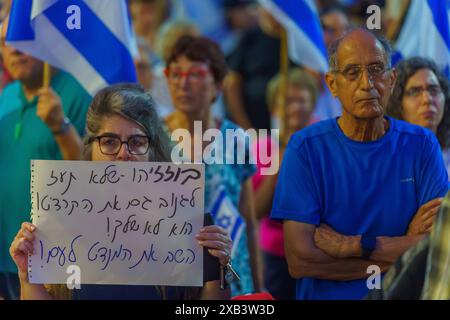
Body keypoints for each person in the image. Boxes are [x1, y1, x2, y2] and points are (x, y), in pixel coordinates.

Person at [270, 28, 449, 300]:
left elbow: (436, 246)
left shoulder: (422, 144)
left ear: (391, 79)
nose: (367, 83)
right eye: (352, 72)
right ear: (332, 85)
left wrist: (354, 245)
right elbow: (300, 261)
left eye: (376, 69)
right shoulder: (305, 148)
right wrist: (400, 249)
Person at [9, 83, 233, 300]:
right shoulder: (58, 221)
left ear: (152, 150)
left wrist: (219, 268)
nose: (123, 154)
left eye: (136, 142)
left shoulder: (188, 222)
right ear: (91, 150)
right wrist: (27, 276)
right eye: (109, 142)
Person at [0, 16, 91, 300]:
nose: (14, 49)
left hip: (54, 257)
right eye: (5, 42)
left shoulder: (79, 93)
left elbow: (94, 179)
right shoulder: (7, 95)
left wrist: (60, 127)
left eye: (22, 39)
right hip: (8, 255)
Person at [163, 35, 262, 296]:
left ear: (217, 85)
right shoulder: (151, 137)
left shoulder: (236, 138)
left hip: (231, 273)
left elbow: (249, 222)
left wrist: (259, 290)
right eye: (175, 74)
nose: (183, 83)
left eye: (195, 74)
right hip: (173, 274)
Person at [252, 68, 319, 300]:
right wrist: (277, 170)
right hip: (274, 254)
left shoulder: (323, 146)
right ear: (274, 107)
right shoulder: (262, 148)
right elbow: (254, 210)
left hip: (317, 252)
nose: (295, 107)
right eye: (288, 101)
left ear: (312, 105)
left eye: (301, 100)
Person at [386, 57, 450, 177]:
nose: (427, 99)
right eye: (415, 91)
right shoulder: (385, 163)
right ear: (397, 104)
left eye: (433, 89)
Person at [224, 6, 283, 130]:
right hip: (252, 125)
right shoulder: (249, 38)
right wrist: (246, 128)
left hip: (286, 128)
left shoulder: (294, 41)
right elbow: (232, 84)